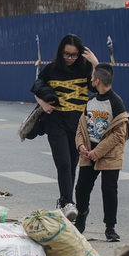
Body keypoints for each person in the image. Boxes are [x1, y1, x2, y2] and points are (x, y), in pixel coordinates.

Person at [33, 34, 99, 220]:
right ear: (60, 52)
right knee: (63, 163)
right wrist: (43, 104)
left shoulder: (85, 69)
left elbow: (100, 86)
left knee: (71, 166)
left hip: (78, 125)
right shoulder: (52, 69)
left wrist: (95, 63)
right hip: (56, 123)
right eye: (66, 54)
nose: (70, 58)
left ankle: (63, 202)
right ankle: (69, 203)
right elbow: (37, 86)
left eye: (74, 55)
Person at [74, 63, 129, 242]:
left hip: (109, 155)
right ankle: (82, 214)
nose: (90, 81)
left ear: (97, 81)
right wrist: (80, 146)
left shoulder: (116, 103)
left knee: (109, 190)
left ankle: (110, 227)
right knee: (81, 188)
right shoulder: (90, 102)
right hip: (88, 154)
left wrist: (98, 152)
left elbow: (119, 134)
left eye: (92, 78)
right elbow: (81, 128)